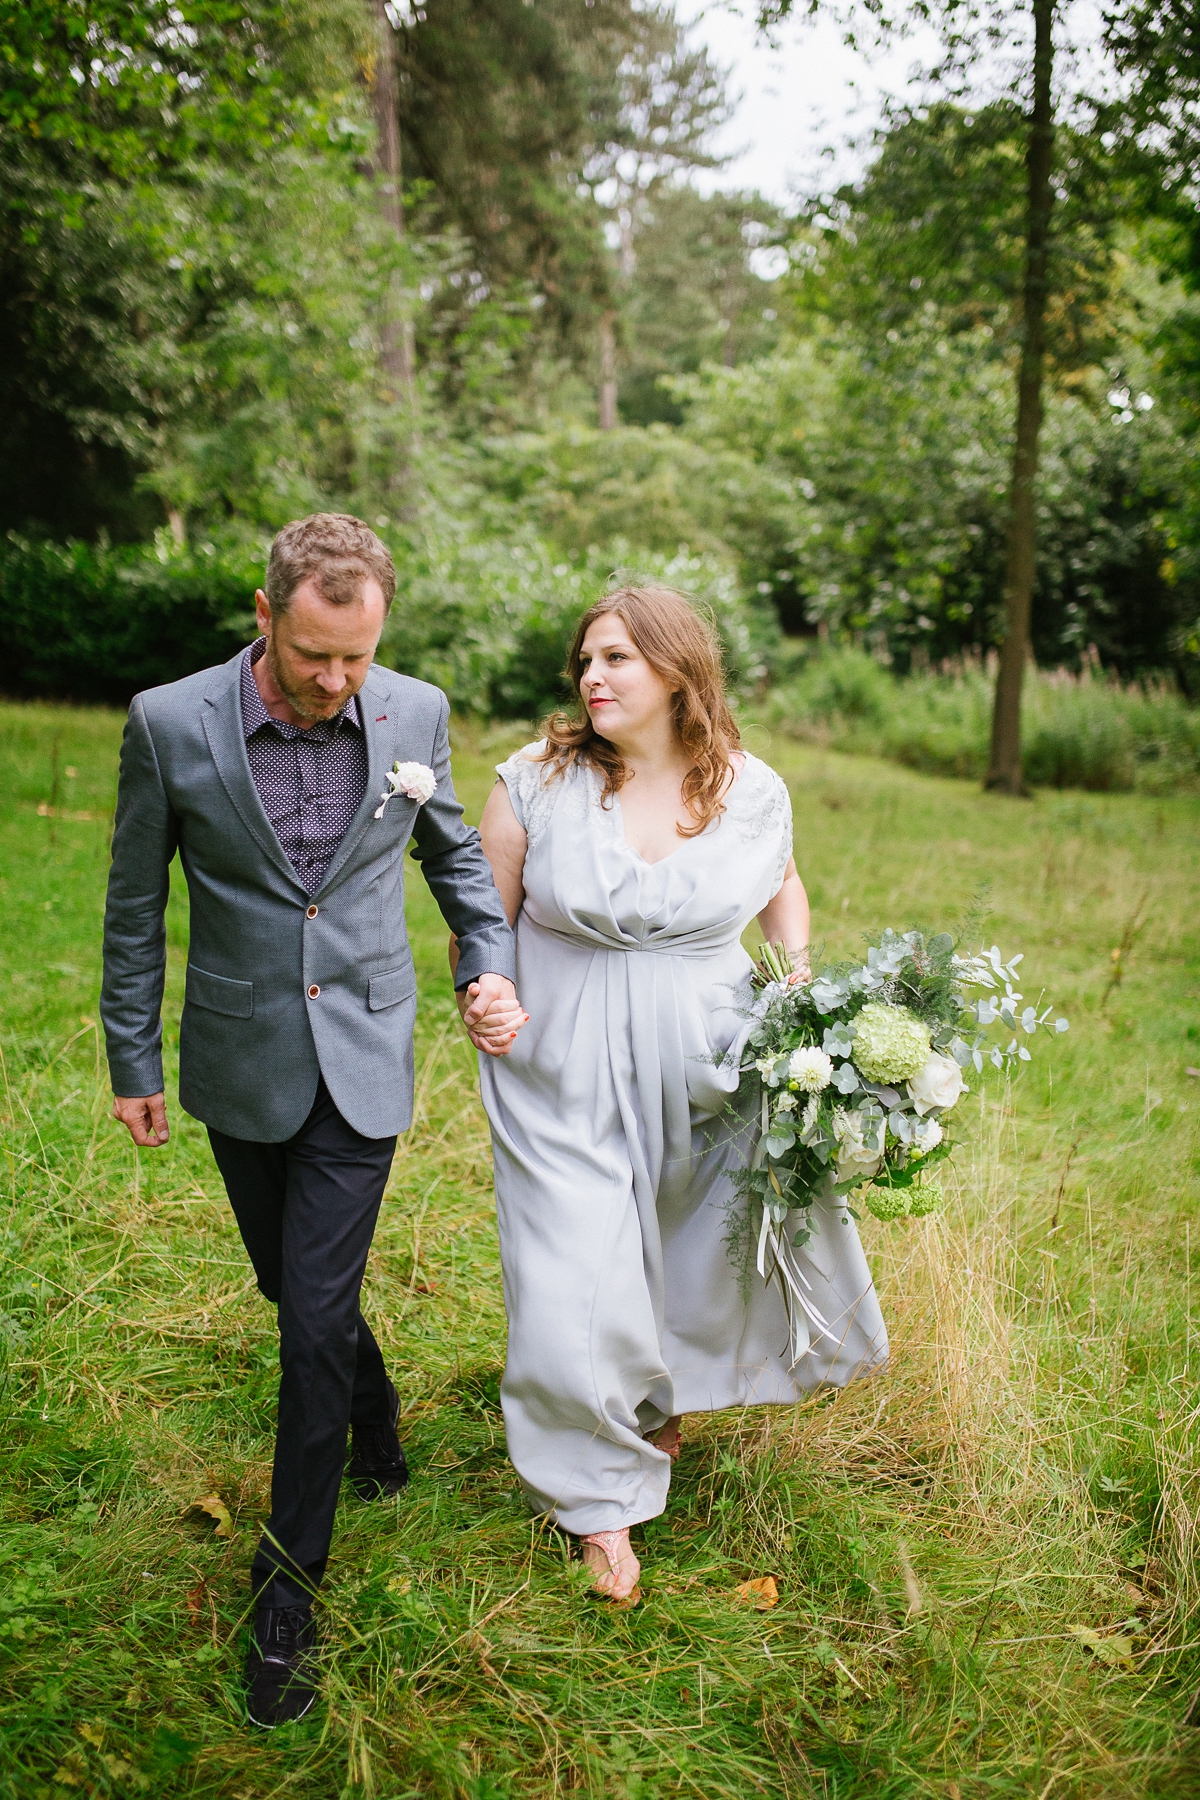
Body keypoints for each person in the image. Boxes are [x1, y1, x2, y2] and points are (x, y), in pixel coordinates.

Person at [101, 514, 525, 1726]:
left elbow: (455, 868)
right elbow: (135, 908)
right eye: (313, 659)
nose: (339, 683)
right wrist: (132, 1051)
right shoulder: (168, 723)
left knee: (312, 1317)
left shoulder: (413, 714)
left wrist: (481, 966)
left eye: (358, 658)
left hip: (365, 1061)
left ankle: (289, 1585)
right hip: (239, 1058)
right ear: (265, 615)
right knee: (296, 1293)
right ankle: (374, 1418)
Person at [472, 586, 886, 1603]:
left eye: (616, 658)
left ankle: (655, 1396)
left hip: (711, 1049)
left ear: (676, 671)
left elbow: (782, 879)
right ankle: (598, 1501)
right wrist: (482, 986)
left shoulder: (751, 788)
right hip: (558, 1056)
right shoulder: (535, 781)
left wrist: (795, 976)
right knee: (570, 1264)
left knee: (691, 1243)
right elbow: (484, 912)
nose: (593, 678)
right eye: (585, 661)